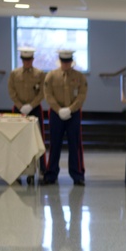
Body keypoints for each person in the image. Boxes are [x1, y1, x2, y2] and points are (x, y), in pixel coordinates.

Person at [42, 49, 88, 186]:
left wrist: (71, 109)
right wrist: (58, 109)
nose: (66, 65)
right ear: (60, 61)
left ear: (71, 62)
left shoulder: (79, 77)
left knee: (75, 145)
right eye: (64, 62)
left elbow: (82, 95)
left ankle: (77, 175)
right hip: (56, 114)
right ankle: (51, 174)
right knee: (55, 144)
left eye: (68, 62)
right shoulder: (51, 76)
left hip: (73, 114)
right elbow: (48, 94)